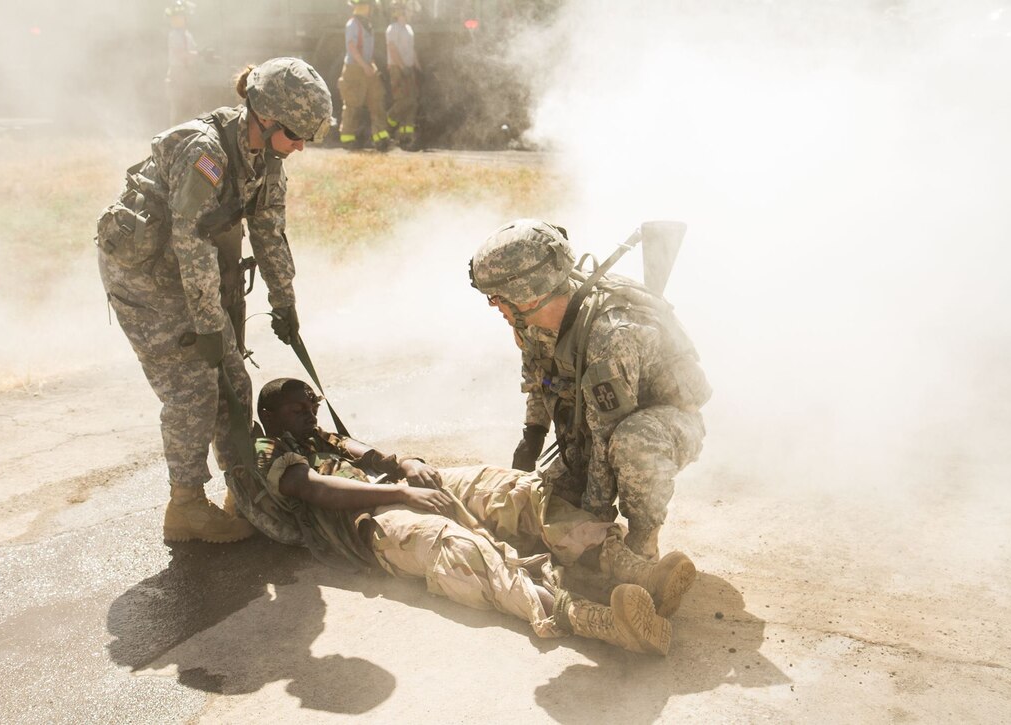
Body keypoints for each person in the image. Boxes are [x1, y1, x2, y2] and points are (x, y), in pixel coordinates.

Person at [227, 377, 699, 655]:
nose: (309, 414)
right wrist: (399, 492)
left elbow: (366, 453)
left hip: (394, 492)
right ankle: (598, 620)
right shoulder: (267, 447)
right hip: (366, 524)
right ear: (269, 414)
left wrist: (404, 466)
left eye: (312, 406)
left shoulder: (319, 436)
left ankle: (632, 569)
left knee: (510, 488)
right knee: (459, 548)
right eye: (297, 409)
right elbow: (307, 488)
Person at [96, 57, 334, 544]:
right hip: (146, 280)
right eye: (294, 134)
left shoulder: (267, 158)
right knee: (193, 392)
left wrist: (284, 302)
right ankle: (184, 507)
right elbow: (191, 241)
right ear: (264, 118)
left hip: (191, 274)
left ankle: (242, 488)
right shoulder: (203, 152)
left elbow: (269, 231)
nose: (300, 145)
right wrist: (208, 325)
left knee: (234, 383)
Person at [469, 219, 713, 559]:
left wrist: (595, 522)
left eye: (497, 297)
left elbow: (606, 437)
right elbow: (541, 381)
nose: (494, 306)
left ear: (527, 293)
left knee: (631, 446)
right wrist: (533, 435)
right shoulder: (534, 321)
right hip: (596, 428)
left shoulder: (608, 335)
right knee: (543, 505)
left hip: (661, 427)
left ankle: (643, 545)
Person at [337, 0, 391, 152]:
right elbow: (352, 47)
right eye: (370, 6)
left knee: (377, 100)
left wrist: (370, 65)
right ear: (365, 7)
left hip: (366, 67)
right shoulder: (353, 24)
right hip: (354, 69)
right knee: (353, 104)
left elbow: (366, 49)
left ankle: (381, 139)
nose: (372, 9)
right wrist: (365, 66)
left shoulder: (367, 24)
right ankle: (348, 140)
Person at [384, 0, 420, 150]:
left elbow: (412, 50)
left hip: (408, 68)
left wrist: (418, 67)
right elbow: (392, 49)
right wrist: (401, 66)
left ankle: (406, 137)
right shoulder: (392, 29)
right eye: (408, 10)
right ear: (401, 12)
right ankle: (386, 124)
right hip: (397, 69)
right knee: (402, 101)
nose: (411, 12)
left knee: (411, 102)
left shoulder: (408, 29)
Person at [164, 0, 201, 125]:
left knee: (190, 106)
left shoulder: (188, 35)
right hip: (177, 73)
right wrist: (199, 54)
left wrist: (201, 55)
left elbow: (191, 53)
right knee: (177, 107)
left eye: (179, 17)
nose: (176, 20)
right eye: (174, 18)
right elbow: (180, 54)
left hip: (187, 73)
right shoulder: (174, 35)